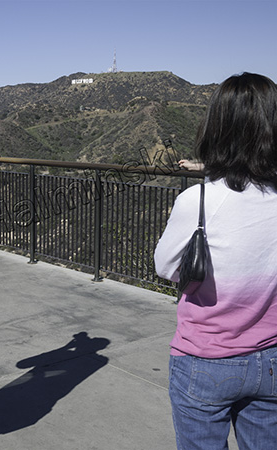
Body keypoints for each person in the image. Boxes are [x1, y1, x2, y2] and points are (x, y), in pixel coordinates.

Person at [154, 73, 277, 450]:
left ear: (216, 128)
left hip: (205, 360)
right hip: (271, 358)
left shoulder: (198, 201)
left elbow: (166, 267)